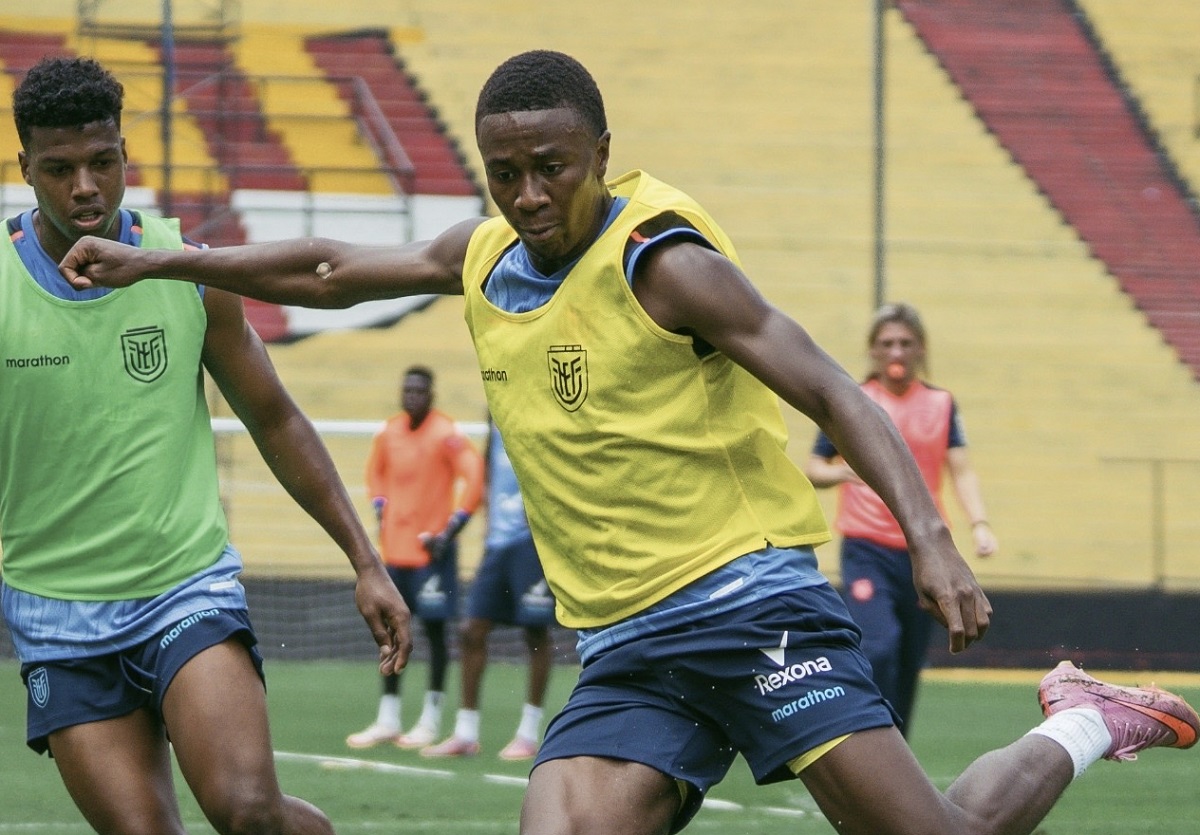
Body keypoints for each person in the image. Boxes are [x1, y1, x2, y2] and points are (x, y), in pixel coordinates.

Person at [61, 49, 1199, 835]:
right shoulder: (485, 256)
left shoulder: (667, 264)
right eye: (504, 172)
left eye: (553, 165)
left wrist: (934, 540)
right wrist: (165, 260)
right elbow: (322, 268)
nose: (529, 193)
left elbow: (833, 390)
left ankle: (1086, 718)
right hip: (629, 642)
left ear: (602, 149)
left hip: (751, 603)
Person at [2, 56, 410, 835]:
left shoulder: (187, 270)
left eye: (102, 161)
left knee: (250, 811)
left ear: (126, 154)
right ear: (25, 167)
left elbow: (275, 418)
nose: (84, 185)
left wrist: (364, 560)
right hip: (57, 615)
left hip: (183, 590)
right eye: (58, 168)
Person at [804, 301, 999, 737]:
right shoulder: (853, 400)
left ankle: (895, 753)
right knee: (879, 645)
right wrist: (840, 472)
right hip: (866, 547)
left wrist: (980, 523)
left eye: (906, 343)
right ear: (873, 351)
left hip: (921, 551)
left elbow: (961, 469)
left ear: (921, 349)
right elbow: (813, 467)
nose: (896, 351)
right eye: (887, 343)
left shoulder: (941, 404)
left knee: (910, 658)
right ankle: (864, 742)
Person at [347, 365, 484, 750]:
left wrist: (452, 527)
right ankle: (388, 718)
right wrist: (379, 503)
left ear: (431, 395)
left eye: (419, 391)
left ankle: (431, 717)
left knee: (436, 634)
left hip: (431, 554)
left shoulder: (446, 433)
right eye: (407, 390)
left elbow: (474, 476)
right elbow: (375, 472)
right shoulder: (390, 432)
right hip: (396, 551)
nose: (412, 397)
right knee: (390, 632)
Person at [421, 418, 556, 761]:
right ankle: (466, 733)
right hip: (498, 541)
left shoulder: (538, 403)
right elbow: (488, 463)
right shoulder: (496, 410)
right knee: (471, 630)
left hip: (532, 541)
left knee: (535, 630)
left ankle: (528, 733)